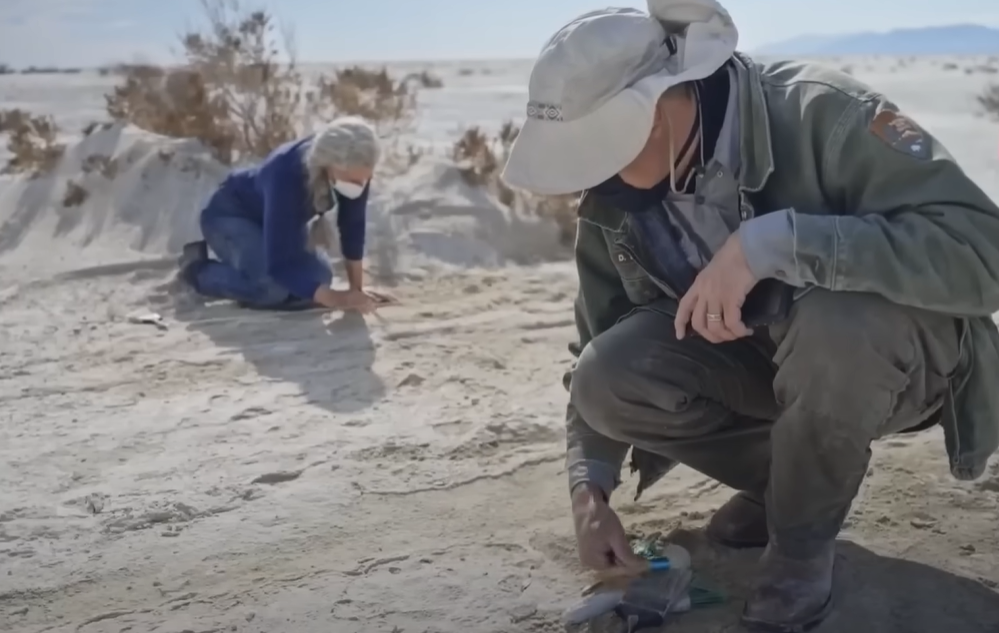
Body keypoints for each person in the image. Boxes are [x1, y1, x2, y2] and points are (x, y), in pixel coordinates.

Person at [500, 3, 999, 632]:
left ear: (660, 111)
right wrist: (588, 491)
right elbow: (596, 341)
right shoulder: (616, 200)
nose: (594, 181)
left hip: (898, 364)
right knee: (607, 375)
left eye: (601, 153)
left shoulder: (824, 113)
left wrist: (777, 244)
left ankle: (799, 549)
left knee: (838, 318)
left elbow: (983, 253)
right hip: (767, 369)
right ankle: (789, 490)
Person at [179, 116, 386, 313]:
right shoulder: (287, 173)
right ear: (328, 166)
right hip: (230, 215)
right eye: (353, 180)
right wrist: (334, 299)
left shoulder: (356, 166)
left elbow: (353, 225)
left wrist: (356, 291)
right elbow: (279, 265)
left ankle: (251, 268)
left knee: (320, 278)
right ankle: (196, 270)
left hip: (280, 222)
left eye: (364, 179)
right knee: (271, 289)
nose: (359, 186)